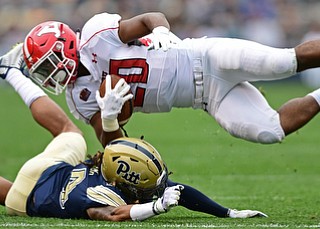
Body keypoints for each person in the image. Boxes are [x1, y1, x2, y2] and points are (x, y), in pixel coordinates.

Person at [0, 51, 267, 219]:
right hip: (28, 193)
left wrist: (227, 213)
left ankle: (10, 71)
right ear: (120, 183)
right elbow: (112, 214)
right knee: (15, 195)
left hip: (54, 168)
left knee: (69, 131)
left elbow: (180, 191)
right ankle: (10, 71)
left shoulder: (113, 171)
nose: (152, 189)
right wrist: (154, 208)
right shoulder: (105, 194)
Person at [18, 12, 320, 148]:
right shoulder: (78, 97)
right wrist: (110, 120)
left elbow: (151, 17)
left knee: (283, 62)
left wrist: (161, 31)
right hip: (206, 97)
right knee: (270, 131)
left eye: (48, 67)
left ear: (64, 47)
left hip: (203, 56)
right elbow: (114, 145)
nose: (50, 77)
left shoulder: (98, 35)